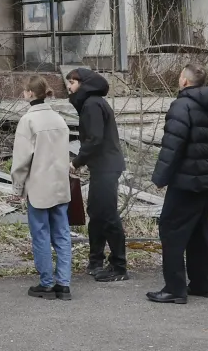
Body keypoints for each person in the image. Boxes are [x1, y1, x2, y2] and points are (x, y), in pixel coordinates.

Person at [146, 63, 208, 304]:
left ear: (184, 81)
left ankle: (174, 289)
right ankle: (202, 284)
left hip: (185, 182)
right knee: (199, 233)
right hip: (206, 183)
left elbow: (173, 145)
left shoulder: (181, 106)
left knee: (171, 230)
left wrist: (160, 178)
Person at [9, 76, 72, 300]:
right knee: (62, 234)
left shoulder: (28, 121)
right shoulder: (59, 119)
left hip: (38, 187)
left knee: (41, 235)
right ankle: (64, 283)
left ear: (29, 93)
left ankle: (46, 283)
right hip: (60, 185)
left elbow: (21, 160)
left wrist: (18, 188)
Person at [66, 66, 128, 281]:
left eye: (72, 83)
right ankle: (96, 260)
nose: (69, 87)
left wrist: (76, 162)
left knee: (107, 215)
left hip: (106, 166)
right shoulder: (92, 103)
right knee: (96, 212)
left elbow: (94, 139)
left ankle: (119, 266)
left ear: (83, 84)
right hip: (103, 166)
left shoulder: (92, 104)